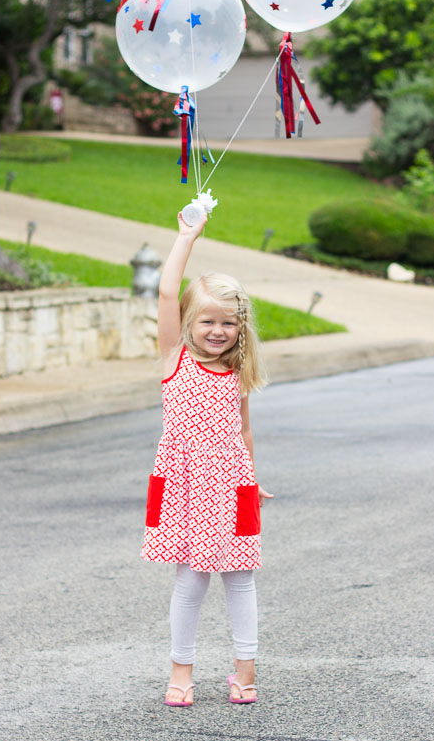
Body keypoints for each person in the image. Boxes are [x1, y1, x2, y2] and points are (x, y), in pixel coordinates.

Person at [141, 210, 272, 707]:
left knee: (240, 580)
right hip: (184, 485)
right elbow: (165, 291)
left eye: (228, 323)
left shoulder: (237, 372)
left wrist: (253, 480)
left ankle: (245, 670)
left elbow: (243, 430)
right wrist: (186, 236)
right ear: (189, 323)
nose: (217, 331)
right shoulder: (175, 356)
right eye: (208, 321)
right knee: (191, 581)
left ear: (241, 327)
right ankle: (180, 672)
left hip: (233, 485)